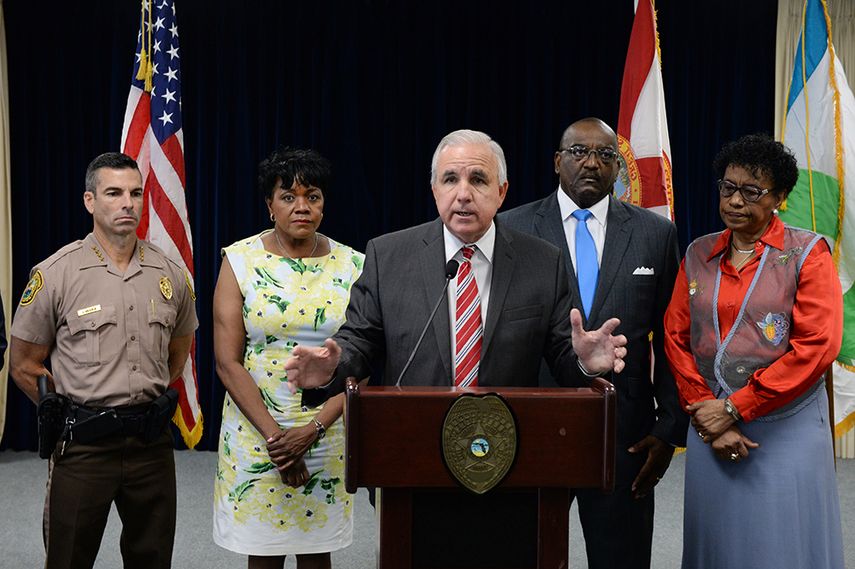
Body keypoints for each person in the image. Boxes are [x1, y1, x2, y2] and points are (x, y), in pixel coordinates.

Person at [283, 129, 627, 397]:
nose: (463, 193)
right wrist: (331, 368)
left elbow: (562, 362)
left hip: (508, 458)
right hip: (414, 454)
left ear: (502, 192)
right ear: (434, 190)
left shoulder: (542, 261)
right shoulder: (387, 257)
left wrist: (586, 363)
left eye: (478, 179)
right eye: (450, 179)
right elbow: (360, 342)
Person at [499, 117, 687, 569]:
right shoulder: (512, 228)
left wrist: (668, 429)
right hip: (534, 425)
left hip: (626, 431)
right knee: (528, 554)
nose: (591, 163)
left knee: (621, 557)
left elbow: (673, 335)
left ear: (618, 168)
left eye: (605, 155)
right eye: (579, 152)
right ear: (556, 161)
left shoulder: (654, 233)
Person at [8, 152, 197, 569]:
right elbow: (23, 363)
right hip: (84, 447)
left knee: (152, 558)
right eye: (114, 193)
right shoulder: (56, 273)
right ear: (90, 201)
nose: (127, 203)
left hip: (151, 445)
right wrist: (61, 410)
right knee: (68, 557)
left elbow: (179, 348)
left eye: (135, 193)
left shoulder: (169, 274)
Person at [664, 134, 845, 569]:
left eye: (751, 191)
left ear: (779, 197)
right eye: (728, 187)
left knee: (779, 544)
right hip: (709, 421)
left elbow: (817, 346)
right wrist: (706, 410)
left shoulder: (808, 253)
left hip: (786, 424)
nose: (735, 201)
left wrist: (735, 408)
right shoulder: (698, 253)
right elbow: (676, 336)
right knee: (717, 539)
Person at [212, 147, 361, 569]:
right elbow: (227, 362)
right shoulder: (239, 261)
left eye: (312, 196)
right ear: (269, 205)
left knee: (317, 557)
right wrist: (279, 441)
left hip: (327, 430)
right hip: (257, 432)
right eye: (288, 196)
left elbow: (362, 362)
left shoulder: (354, 265)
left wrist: (311, 431)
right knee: (263, 555)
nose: (302, 207)